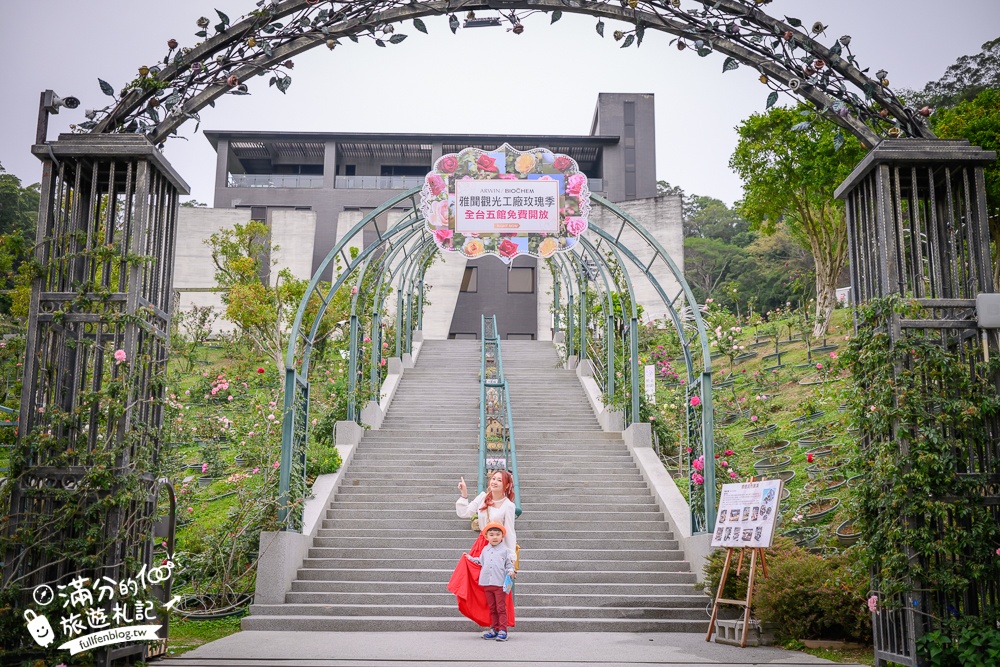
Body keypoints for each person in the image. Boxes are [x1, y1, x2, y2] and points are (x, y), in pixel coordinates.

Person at [447, 470, 517, 631]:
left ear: (506, 485)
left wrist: (511, 559)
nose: (494, 482)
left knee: (497, 588)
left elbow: (510, 532)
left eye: (499, 480)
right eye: (493, 479)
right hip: (481, 547)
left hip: (499, 549)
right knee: (481, 587)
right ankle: (490, 624)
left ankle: (500, 627)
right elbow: (463, 513)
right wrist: (464, 494)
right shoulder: (482, 498)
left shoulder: (509, 505)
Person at [464, 522, 515, 640]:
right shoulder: (485, 550)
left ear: (502, 536)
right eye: (491, 534)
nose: (495, 537)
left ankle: (503, 629)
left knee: (501, 608)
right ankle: (494, 628)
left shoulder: (505, 551)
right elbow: (480, 561)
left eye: (498, 534)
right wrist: (469, 558)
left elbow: (509, 564)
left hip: (499, 584)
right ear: (486, 537)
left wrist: (510, 571)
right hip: (487, 583)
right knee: (492, 608)